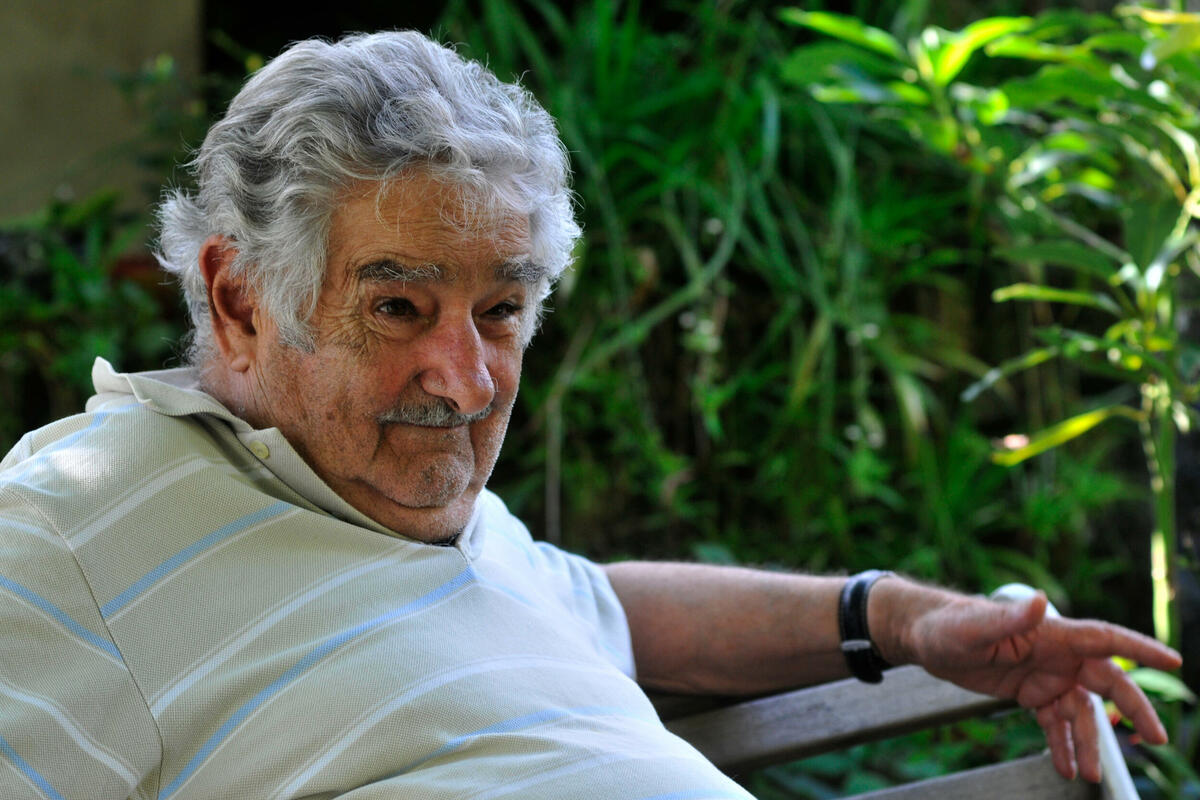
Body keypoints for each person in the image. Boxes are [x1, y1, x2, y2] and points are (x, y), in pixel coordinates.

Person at [0, 31, 1179, 800]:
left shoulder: (430, 524)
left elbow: (604, 603)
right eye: (399, 306)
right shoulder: (71, 527)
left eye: (501, 311)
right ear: (240, 298)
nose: (465, 380)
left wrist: (906, 617)